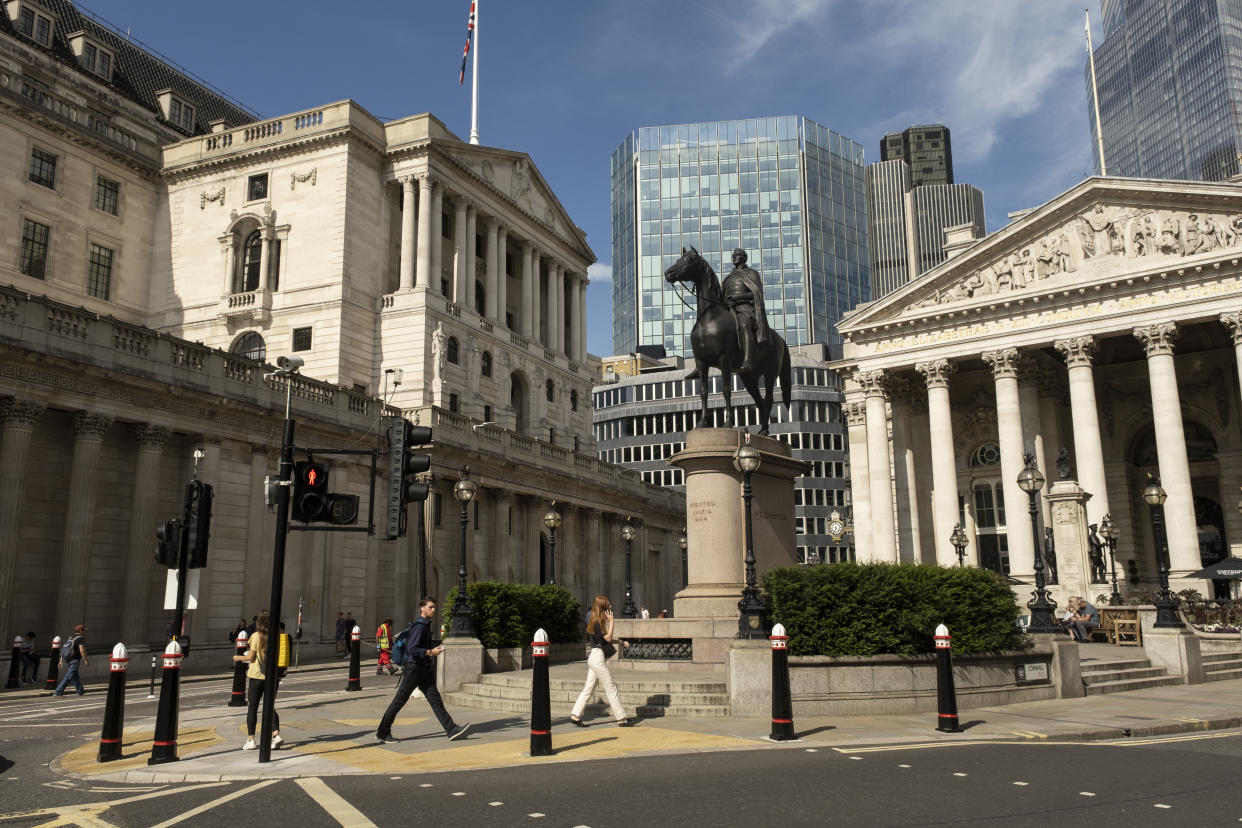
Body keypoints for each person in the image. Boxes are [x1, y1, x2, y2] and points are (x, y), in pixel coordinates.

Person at [375, 597, 470, 744]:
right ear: (422, 608)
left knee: (435, 700)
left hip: (423, 669)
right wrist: (430, 652)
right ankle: (383, 732)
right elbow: (411, 649)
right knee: (399, 700)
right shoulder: (420, 625)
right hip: (415, 668)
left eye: (434, 607)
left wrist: (429, 653)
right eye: (430, 607)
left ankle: (451, 729)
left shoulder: (425, 625)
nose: (433, 610)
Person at [568, 596, 635, 728]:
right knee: (611, 687)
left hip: (594, 656)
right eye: (608, 605)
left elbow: (604, 639)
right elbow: (608, 638)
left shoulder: (594, 620)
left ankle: (575, 715)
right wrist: (612, 621)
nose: (610, 607)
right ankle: (621, 719)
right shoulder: (600, 621)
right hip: (598, 658)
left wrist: (621, 642)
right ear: (603, 607)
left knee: (589, 688)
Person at [233, 610, 282, 750]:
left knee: (252, 707)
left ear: (259, 622)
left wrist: (238, 658)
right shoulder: (276, 636)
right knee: (270, 706)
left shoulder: (255, 636)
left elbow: (251, 657)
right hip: (272, 676)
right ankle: (276, 735)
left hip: (256, 676)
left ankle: (251, 740)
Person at [721, 247, 770, 373]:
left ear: (743, 258)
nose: (734, 257)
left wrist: (738, 297)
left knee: (744, 324)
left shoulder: (751, 273)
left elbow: (756, 293)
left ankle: (748, 359)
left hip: (744, 307)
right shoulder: (729, 277)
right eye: (733, 255)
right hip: (729, 308)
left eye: (736, 255)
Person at [53, 624, 88, 696]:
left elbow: (64, 649)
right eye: (84, 630)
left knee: (75, 676)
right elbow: (82, 651)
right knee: (69, 676)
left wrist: (61, 660)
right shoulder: (80, 638)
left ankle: (80, 691)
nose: (84, 632)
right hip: (74, 660)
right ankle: (58, 692)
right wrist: (85, 660)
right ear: (80, 631)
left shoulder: (71, 638)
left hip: (68, 659)